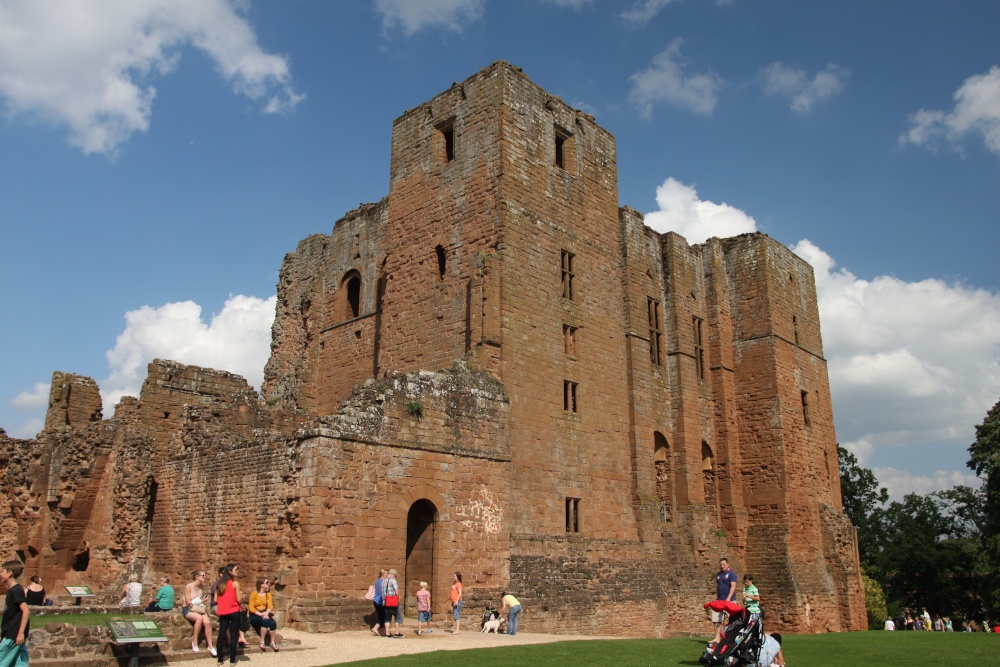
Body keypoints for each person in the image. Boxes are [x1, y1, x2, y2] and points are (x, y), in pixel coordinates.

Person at [0, 560, 29, 667]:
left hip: (13, 634)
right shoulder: (13, 590)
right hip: (12, 633)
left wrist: (20, 632)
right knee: (19, 664)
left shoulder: (16, 590)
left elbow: (25, 610)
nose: (0, 574)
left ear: (10, 573)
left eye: (2, 571)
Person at [214, 564, 244, 666]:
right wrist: (241, 595)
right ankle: (232, 660)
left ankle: (220, 659)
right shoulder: (235, 583)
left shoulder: (220, 584)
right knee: (234, 635)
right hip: (234, 610)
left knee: (221, 635)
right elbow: (239, 599)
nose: (237, 571)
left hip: (223, 611)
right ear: (230, 572)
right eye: (236, 569)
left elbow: (215, 599)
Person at [183, 570, 216, 656]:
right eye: (203, 575)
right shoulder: (188, 586)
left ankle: (210, 646)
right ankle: (195, 641)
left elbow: (199, 601)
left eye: (204, 575)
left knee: (207, 623)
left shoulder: (202, 587)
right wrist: (201, 601)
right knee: (199, 619)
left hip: (198, 608)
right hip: (188, 609)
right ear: (196, 577)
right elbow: (188, 602)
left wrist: (202, 602)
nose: (204, 577)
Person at [711, 558, 737, 645]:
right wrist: (717, 597)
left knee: (732, 620)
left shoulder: (731, 574)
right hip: (720, 601)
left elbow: (733, 586)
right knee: (716, 619)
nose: (722, 566)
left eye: (724, 564)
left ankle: (730, 638)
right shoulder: (718, 575)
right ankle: (717, 638)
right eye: (721, 565)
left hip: (730, 601)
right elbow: (718, 586)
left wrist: (728, 598)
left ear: (728, 564)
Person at [248, 577, 278, 651]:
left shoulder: (268, 594)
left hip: (265, 613)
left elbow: (270, 606)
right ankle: (262, 641)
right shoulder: (254, 594)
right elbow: (251, 608)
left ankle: (272, 642)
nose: (269, 584)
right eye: (267, 583)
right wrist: (260, 614)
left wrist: (266, 613)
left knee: (273, 623)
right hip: (255, 614)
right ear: (261, 585)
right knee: (265, 621)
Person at [382, 570, 401, 638]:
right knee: (398, 617)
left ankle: (387, 633)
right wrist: (398, 597)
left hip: (386, 602)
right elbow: (396, 590)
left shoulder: (384, 581)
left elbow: (383, 592)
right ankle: (396, 633)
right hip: (393, 601)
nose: (395, 577)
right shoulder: (393, 580)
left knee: (387, 617)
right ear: (393, 574)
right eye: (395, 575)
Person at [370, 569, 386, 636]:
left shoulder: (377, 581)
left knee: (380, 616)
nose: (387, 574)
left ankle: (381, 630)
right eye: (386, 573)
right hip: (380, 601)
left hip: (375, 600)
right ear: (383, 574)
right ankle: (375, 628)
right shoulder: (383, 582)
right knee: (384, 616)